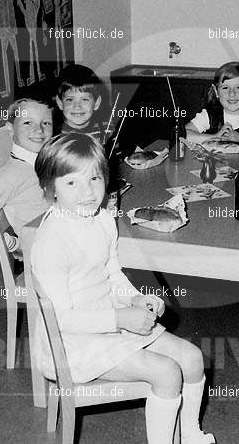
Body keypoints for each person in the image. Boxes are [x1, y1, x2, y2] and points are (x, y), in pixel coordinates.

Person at [30, 133, 215, 444]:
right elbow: (61, 319)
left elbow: (111, 273)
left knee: (193, 358)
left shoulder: (102, 219)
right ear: (51, 188)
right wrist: (120, 318)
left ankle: (191, 435)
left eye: (94, 179)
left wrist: (135, 298)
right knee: (168, 372)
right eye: (71, 183)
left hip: (108, 321)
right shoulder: (52, 241)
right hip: (71, 343)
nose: (87, 192)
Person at [0, 98, 53, 253]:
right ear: (10, 128)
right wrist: (16, 245)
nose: (39, 130)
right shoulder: (8, 175)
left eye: (46, 123)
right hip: (48, 256)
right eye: (28, 123)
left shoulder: (43, 163)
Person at [54, 64, 112, 144]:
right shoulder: (54, 138)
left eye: (85, 99)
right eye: (70, 100)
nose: (77, 107)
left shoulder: (109, 130)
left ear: (96, 103)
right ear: (60, 102)